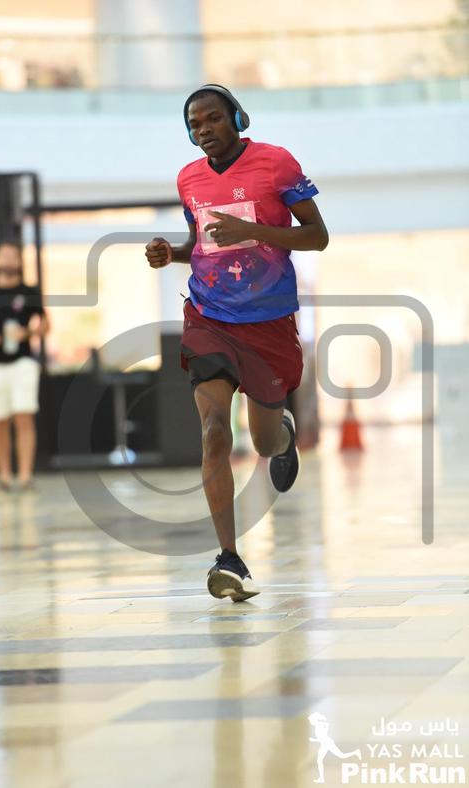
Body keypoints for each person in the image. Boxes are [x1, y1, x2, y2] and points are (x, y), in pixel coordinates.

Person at [145, 84, 328, 601]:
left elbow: (317, 236)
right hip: (209, 316)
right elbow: (202, 243)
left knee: (264, 443)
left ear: (238, 119)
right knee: (213, 432)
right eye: (194, 124)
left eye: (213, 119)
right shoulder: (188, 178)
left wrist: (256, 230)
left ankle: (282, 436)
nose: (204, 130)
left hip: (268, 321)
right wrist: (171, 253)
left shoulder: (276, 164)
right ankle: (229, 557)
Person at [0, 241, 49, 491]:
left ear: (19, 261)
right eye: (3, 255)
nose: (8, 260)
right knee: (0, 419)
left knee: (23, 416)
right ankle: (4, 476)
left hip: (23, 362)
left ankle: (25, 476)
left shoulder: (29, 291)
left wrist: (28, 333)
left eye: (13, 256)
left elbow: (46, 324)